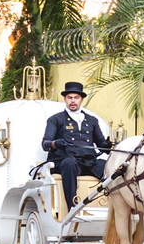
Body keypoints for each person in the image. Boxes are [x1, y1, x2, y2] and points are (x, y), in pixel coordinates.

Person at [41, 81, 112, 210]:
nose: (73, 101)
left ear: (81, 99)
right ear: (65, 99)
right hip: (66, 162)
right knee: (69, 163)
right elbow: (45, 144)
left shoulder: (92, 120)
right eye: (70, 97)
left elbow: (101, 144)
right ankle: (72, 207)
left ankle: (109, 205)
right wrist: (56, 143)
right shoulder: (56, 119)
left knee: (109, 166)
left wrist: (107, 145)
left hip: (89, 163)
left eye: (76, 97)